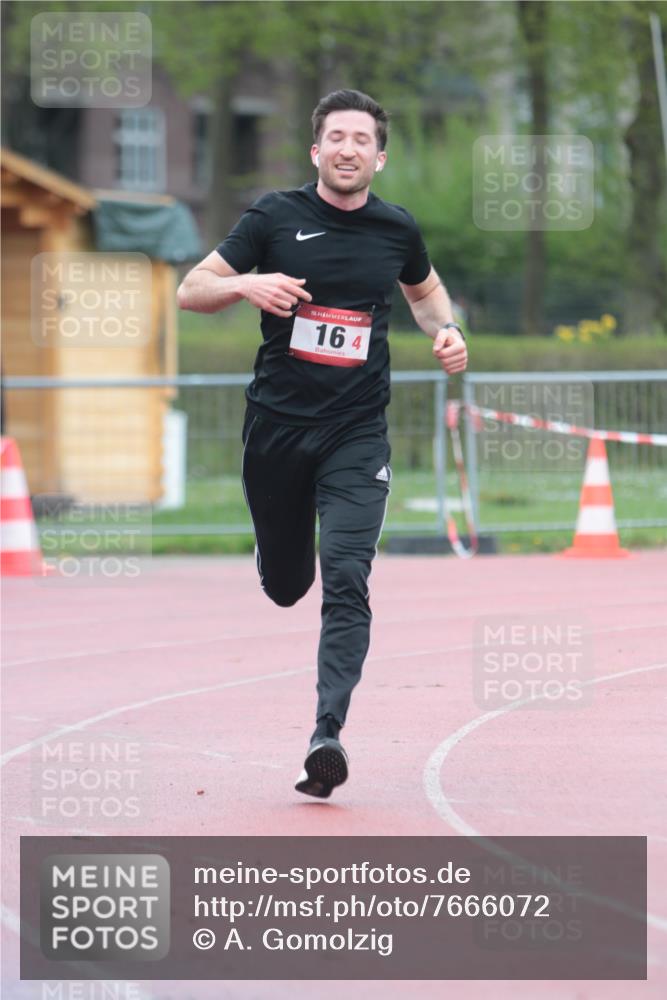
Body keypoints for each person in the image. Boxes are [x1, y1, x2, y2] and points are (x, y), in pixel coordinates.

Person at [177, 89, 468, 799]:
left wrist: (446, 329)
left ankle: (326, 734)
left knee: (346, 574)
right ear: (316, 151)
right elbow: (191, 289)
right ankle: (277, 546)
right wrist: (247, 284)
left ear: (379, 156)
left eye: (361, 139)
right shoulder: (274, 217)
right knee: (287, 587)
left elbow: (424, 292)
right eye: (335, 137)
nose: (347, 149)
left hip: (356, 431)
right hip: (276, 432)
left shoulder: (396, 229)